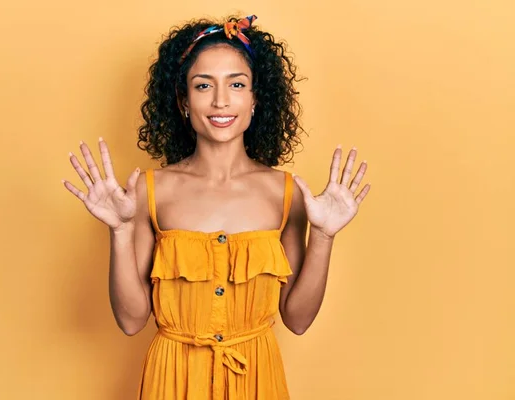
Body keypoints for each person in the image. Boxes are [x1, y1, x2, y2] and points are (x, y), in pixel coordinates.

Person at [63, 14, 370, 400]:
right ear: (183, 101)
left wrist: (324, 236)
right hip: (171, 382)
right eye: (203, 85)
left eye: (237, 85)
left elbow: (298, 319)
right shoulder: (147, 191)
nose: (221, 100)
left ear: (256, 98)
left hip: (257, 382)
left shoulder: (287, 194)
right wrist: (120, 232)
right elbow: (130, 320)